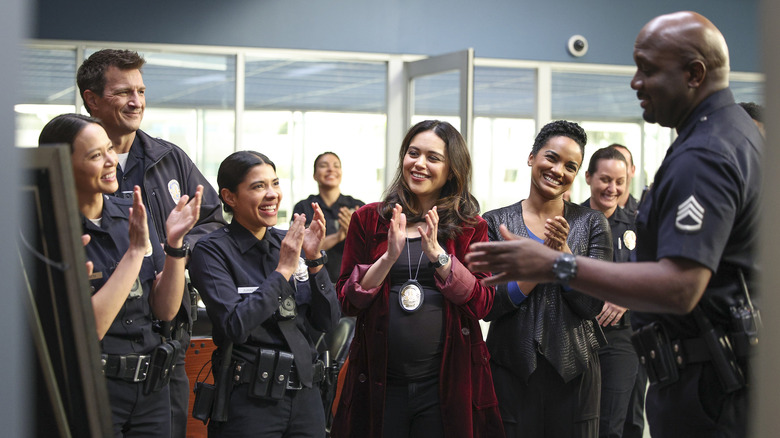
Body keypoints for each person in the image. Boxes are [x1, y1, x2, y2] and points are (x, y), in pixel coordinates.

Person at [466, 11, 761, 438]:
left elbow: (681, 286)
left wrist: (556, 265)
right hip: (711, 377)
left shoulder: (708, 153)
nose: (634, 82)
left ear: (695, 73)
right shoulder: (733, 135)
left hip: (710, 387)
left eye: (648, 68)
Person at [77, 49, 227, 438]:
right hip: (97, 353)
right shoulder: (69, 168)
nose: (136, 102)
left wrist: (168, 253)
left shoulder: (169, 158)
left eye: (141, 91)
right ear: (92, 99)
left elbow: (211, 223)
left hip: (163, 343)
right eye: (123, 92)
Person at [331, 120, 503, 438]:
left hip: (446, 385)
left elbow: (483, 303)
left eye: (433, 158)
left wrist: (439, 256)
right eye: (413, 153)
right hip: (379, 380)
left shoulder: (471, 226)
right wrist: (388, 258)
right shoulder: (368, 219)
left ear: (452, 170)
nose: (419, 164)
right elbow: (346, 299)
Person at [38, 113, 203, 437]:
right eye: (95, 155)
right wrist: (133, 253)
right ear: (62, 164)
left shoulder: (131, 213)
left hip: (151, 386)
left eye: (110, 149)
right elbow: (89, 329)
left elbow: (165, 309)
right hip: (93, 389)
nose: (111, 161)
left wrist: (174, 246)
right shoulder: (48, 230)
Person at [189, 151, 340, 437]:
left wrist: (315, 261)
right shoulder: (212, 251)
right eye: (258, 186)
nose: (272, 194)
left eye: (275, 183)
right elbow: (234, 325)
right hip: (251, 400)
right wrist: (283, 270)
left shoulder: (290, 243)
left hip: (307, 398)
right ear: (230, 197)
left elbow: (328, 322)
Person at [482, 120, 610, 438]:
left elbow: (591, 304)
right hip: (510, 370)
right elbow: (488, 306)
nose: (558, 170)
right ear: (531, 157)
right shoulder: (495, 223)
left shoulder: (592, 223)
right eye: (551, 158)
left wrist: (564, 257)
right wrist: (541, 269)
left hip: (575, 373)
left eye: (570, 166)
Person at [581, 147, 644, 438]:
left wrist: (627, 297)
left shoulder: (638, 226)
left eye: (619, 181)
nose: (612, 188)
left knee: (611, 425)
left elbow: (654, 276)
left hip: (620, 339)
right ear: (588, 177)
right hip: (576, 334)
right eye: (605, 179)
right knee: (576, 420)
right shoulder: (568, 221)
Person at [293, 152, 365, 283]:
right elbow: (301, 251)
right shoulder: (303, 208)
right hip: (313, 281)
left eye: (336, 166)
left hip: (351, 282)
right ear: (314, 175)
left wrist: (353, 234)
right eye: (324, 165)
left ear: (341, 173)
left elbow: (369, 250)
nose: (331, 169)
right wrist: (339, 236)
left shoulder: (357, 207)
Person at [609, 144, 639, 216]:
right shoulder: (583, 214)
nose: (618, 170)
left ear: (633, 170)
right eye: (612, 164)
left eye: (624, 164)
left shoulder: (643, 213)